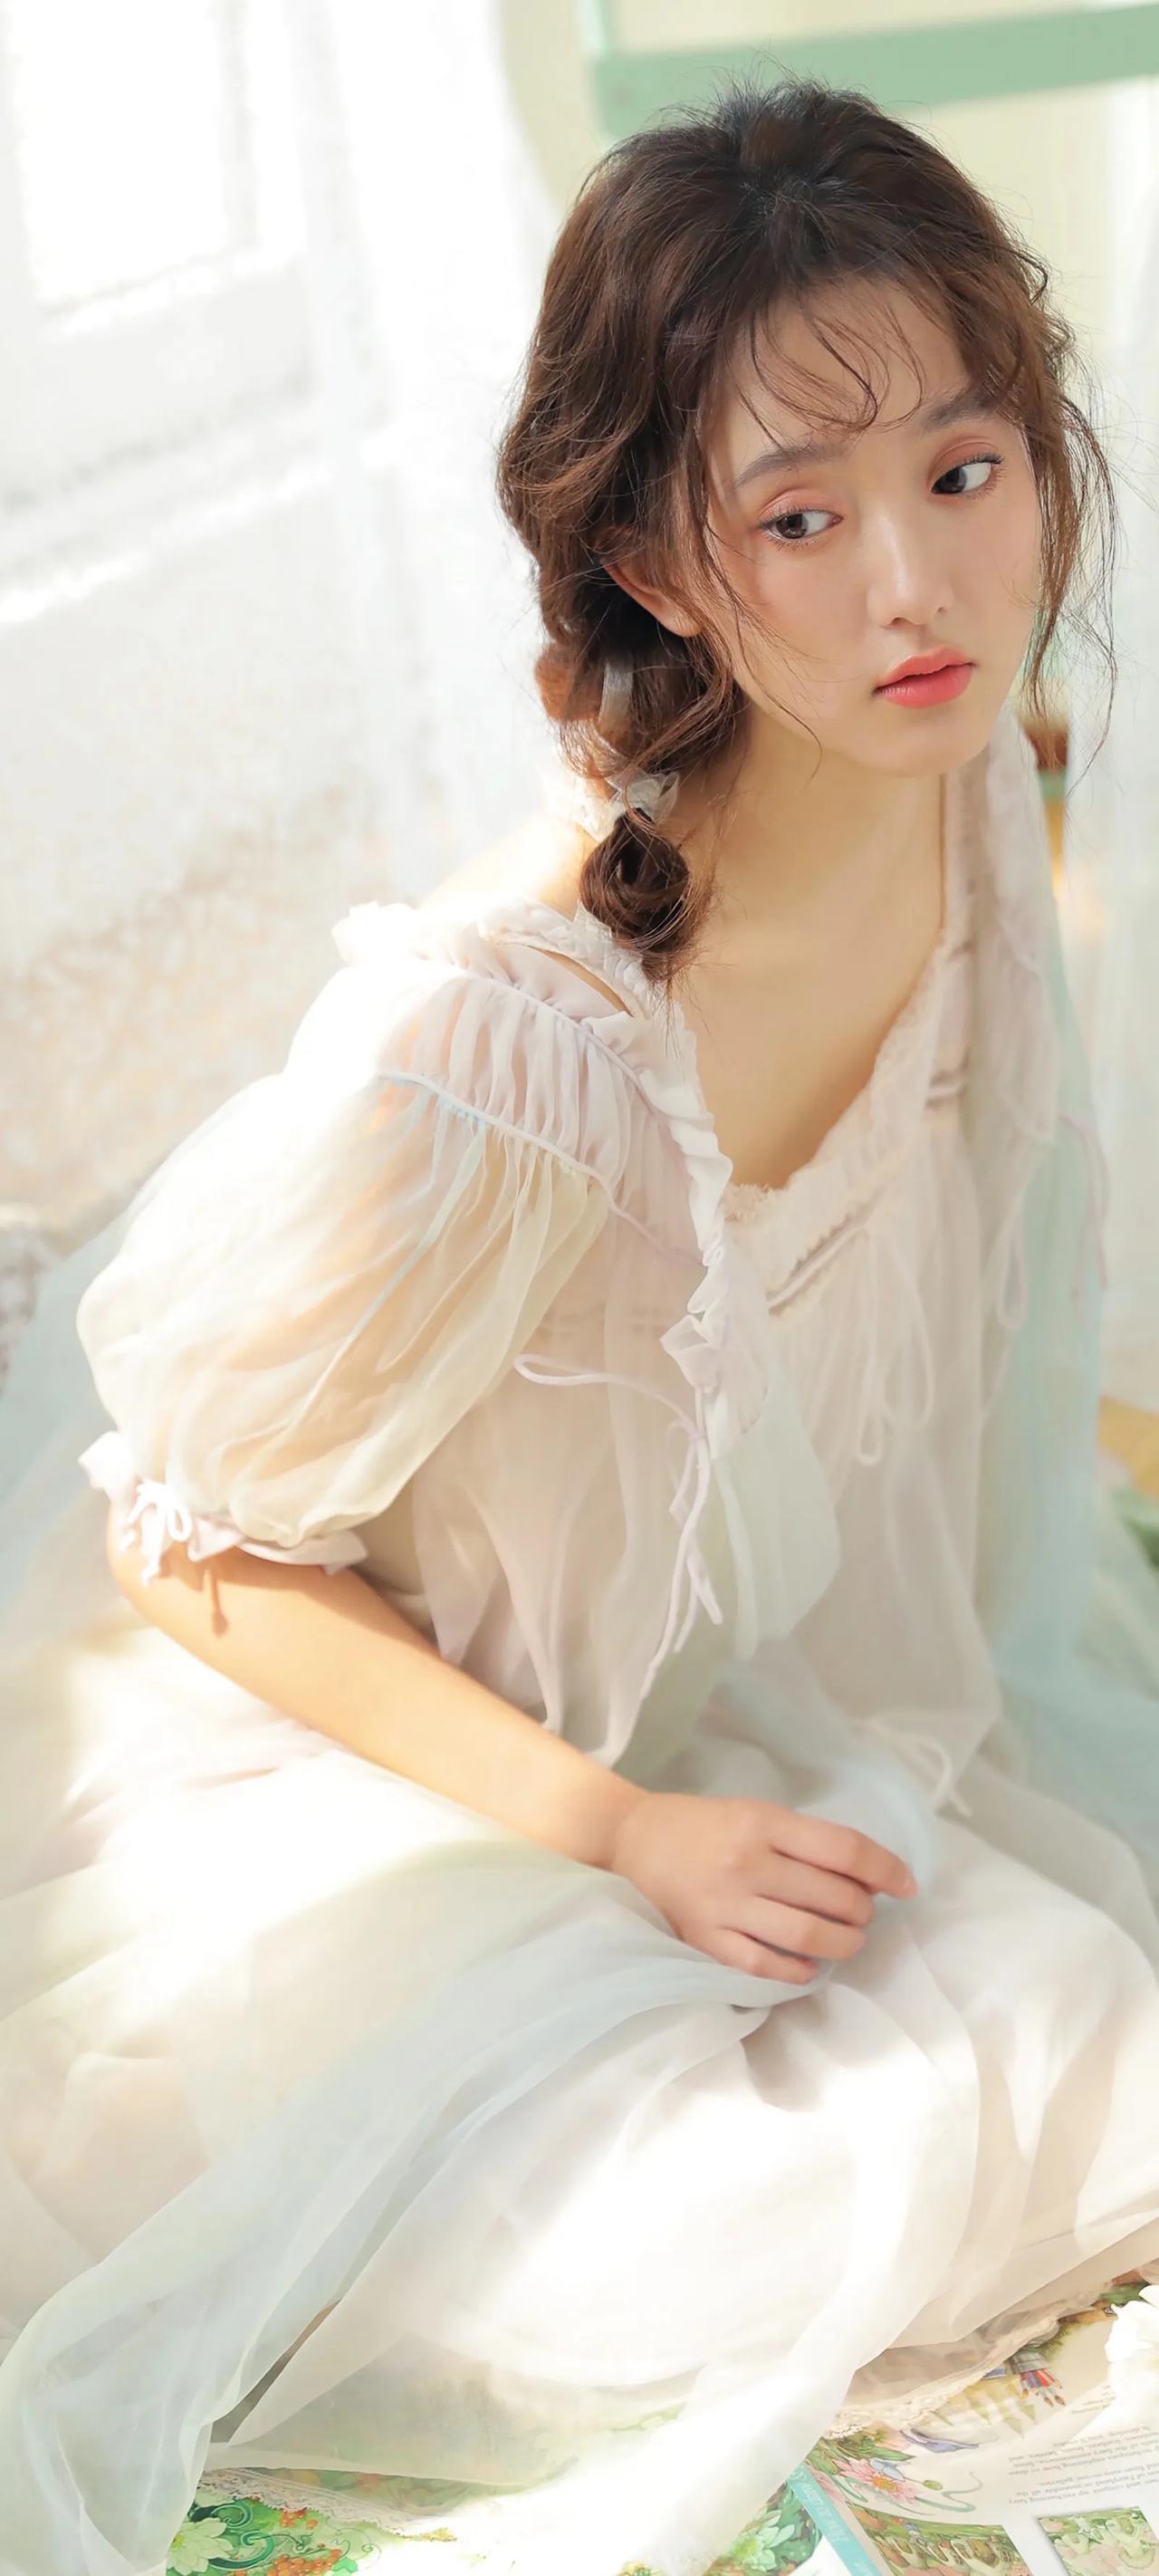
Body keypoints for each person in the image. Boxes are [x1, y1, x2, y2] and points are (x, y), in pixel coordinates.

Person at [1, 72, 1158, 2576]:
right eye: (800, 519)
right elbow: (194, 1557)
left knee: (1088, 2030)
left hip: (688, 1705)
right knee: (777, 2206)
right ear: (655, 561)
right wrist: (622, 1832)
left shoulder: (973, 784)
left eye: (967, 472)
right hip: (368, 1771)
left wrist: (750, 1787)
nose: (917, 590)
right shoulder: (517, 1044)